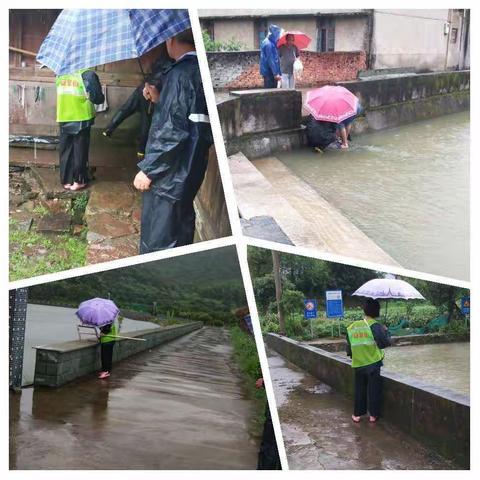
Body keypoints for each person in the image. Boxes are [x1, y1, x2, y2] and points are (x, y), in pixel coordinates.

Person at [133, 28, 213, 254]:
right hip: (191, 171)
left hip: (170, 176)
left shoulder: (180, 74)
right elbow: (189, 120)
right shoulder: (199, 71)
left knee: (159, 240)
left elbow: (172, 131)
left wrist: (149, 170)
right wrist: (161, 99)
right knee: (180, 231)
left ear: (171, 39)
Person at [102, 57, 172, 160]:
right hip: (150, 93)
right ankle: (141, 150)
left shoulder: (160, 62)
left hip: (142, 87)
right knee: (146, 121)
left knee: (125, 109)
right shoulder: (172, 69)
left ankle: (108, 129)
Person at [56, 68, 105, 190]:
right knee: (80, 150)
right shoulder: (88, 75)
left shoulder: (60, 73)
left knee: (66, 149)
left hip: (63, 115)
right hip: (81, 117)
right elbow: (98, 99)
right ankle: (79, 181)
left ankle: (66, 180)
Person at [346, 298, 391, 423]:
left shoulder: (352, 327)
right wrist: (386, 332)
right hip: (373, 363)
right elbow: (384, 343)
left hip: (358, 364)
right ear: (377, 311)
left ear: (364, 310)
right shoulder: (375, 326)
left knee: (360, 390)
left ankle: (357, 415)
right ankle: (373, 415)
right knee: (374, 390)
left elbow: (349, 350)